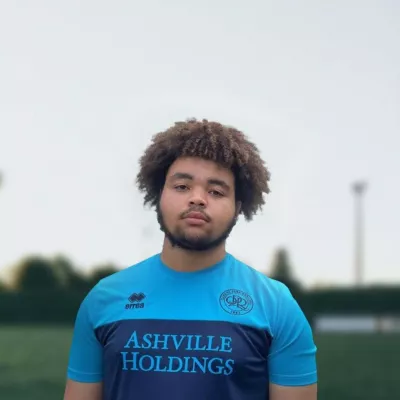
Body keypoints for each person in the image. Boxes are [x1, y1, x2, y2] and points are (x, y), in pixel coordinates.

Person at [64, 118, 318, 400]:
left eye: (216, 191)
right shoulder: (103, 299)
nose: (197, 199)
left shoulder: (276, 306)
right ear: (159, 195)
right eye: (182, 186)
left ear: (237, 208)